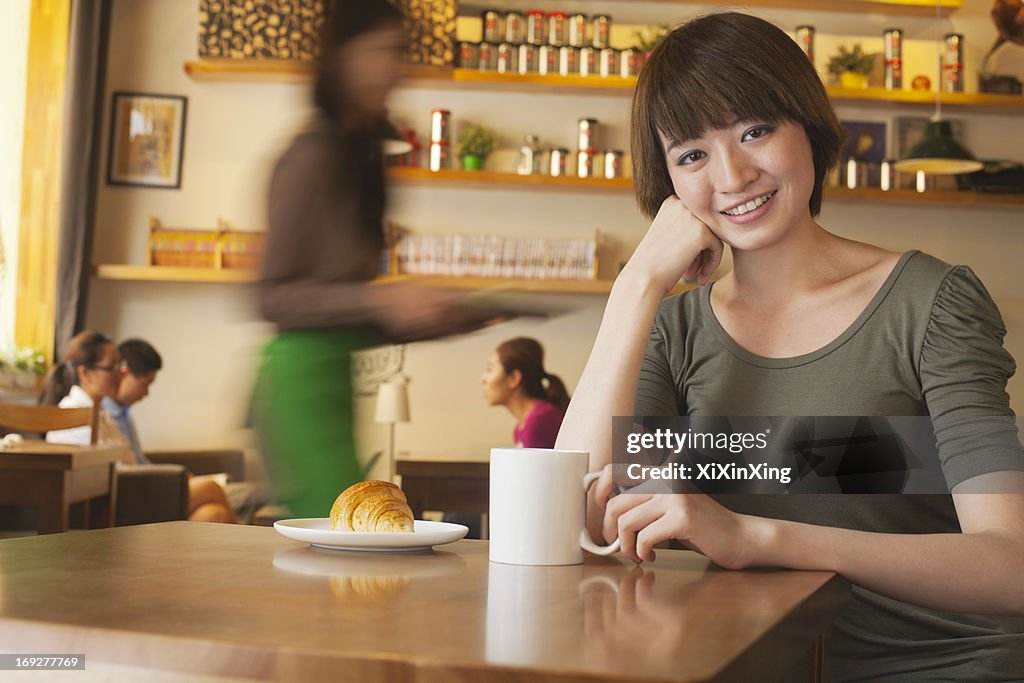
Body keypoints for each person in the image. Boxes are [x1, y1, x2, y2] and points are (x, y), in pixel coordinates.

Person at [555, 12, 1024, 682]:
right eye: (692, 154)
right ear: (668, 187)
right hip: (744, 663)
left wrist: (756, 537)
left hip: (937, 665)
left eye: (756, 129)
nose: (734, 173)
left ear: (808, 126)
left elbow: (1011, 565)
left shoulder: (930, 303)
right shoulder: (674, 330)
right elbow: (577, 522)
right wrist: (636, 285)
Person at [254, 0, 497, 518]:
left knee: (347, 548)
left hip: (333, 384)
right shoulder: (310, 156)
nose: (396, 66)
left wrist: (443, 317)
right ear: (342, 57)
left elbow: (353, 316)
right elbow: (271, 296)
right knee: (346, 546)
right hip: (297, 388)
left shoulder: (358, 155)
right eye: (383, 51)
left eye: (400, 52)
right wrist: (380, 298)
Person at [103, 339, 238, 524]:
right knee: (211, 487)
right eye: (145, 384)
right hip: (135, 498)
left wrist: (178, 475)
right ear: (124, 373)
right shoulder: (103, 415)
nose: (146, 393)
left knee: (212, 514)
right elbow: (126, 471)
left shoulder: (123, 414)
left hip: (145, 487)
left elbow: (139, 462)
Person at [481, 337, 570, 448]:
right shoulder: (520, 427)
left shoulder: (539, 420)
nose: (483, 379)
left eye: (490, 370)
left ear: (513, 378)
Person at [42, 330, 126, 447]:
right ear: (85, 373)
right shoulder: (73, 417)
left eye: (120, 364)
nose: (122, 372)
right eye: (112, 366)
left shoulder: (101, 412)